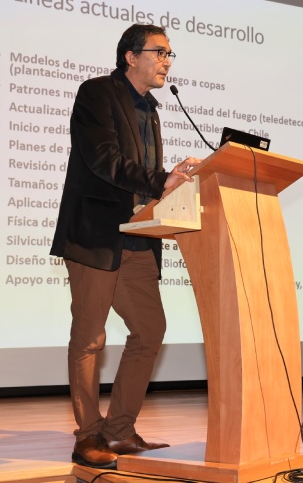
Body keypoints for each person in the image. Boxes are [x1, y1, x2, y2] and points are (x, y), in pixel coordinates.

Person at [50, 24, 201, 469]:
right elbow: (103, 160)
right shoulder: (96, 93)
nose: (167, 61)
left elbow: (141, 172)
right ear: (131, 56)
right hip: (96, 235)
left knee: (150, 330)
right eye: (159, 52)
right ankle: (88, 436)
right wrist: (159, 179)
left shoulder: (152, 110)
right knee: (90, 338)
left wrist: (170, 179)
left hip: (137, 236)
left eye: (171, 54)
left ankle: (119, 429)